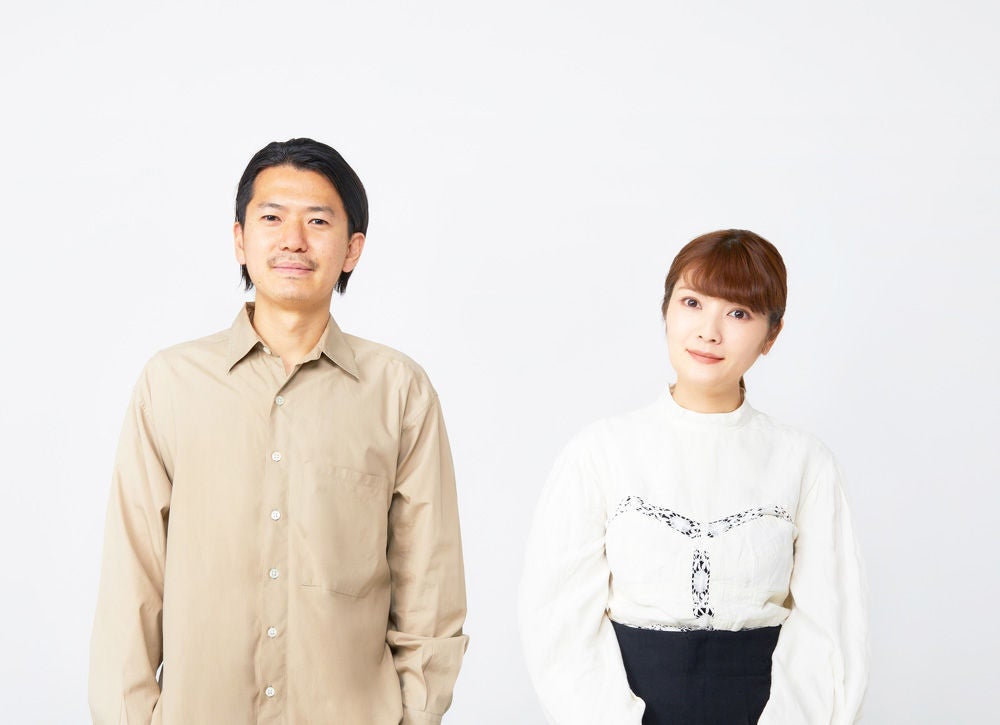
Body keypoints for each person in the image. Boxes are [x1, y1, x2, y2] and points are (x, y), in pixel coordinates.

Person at [89, 138, 468, 724]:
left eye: (317, 221)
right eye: (271, 218)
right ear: (240, 239)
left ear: (352, 248)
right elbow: (132, 581)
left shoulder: (399, 393)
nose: (293, 240)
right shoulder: (171, 384)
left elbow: (431, 591)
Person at [519, 230, 868, 724]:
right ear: (666, 310)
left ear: (772, 335)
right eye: (692, 303)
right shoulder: (599, 453)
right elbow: (559, 625)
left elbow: (830, 628)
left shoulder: (805, 462)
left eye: (738, 313)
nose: (709, 331)